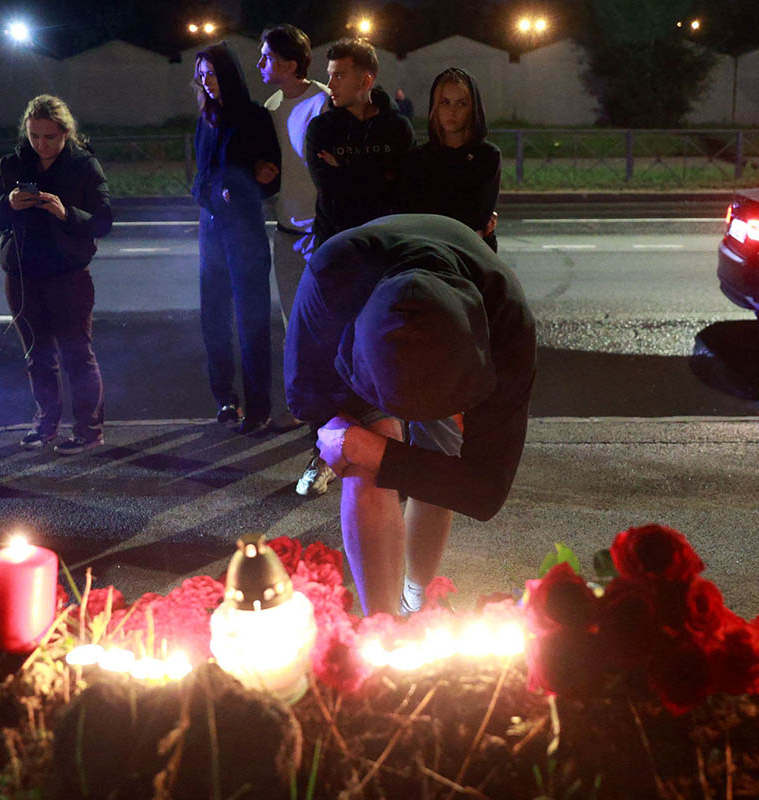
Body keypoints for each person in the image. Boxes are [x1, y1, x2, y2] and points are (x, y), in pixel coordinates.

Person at [284, 214, 537, 616]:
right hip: (366, 331)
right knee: (364, 467)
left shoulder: (506, 319)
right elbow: (303, 391)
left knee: (439, 464)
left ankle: (416, 598)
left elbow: (485, 490)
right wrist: (350, 438)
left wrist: (366, 446)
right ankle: (381, 626)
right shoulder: (331, 277)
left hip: (453, 337)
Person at [0, 94, 112, 455]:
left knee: (77, 353)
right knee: (37, 354)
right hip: (22, 274)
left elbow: (104, 221)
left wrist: (65, 213)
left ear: (66, 133)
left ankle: (88, 430)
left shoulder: (84, 167)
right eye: (35, 136)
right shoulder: (11, 165)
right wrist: (8, 203)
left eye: (50, 137)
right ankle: (46, 423)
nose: (41, 145)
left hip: (68, 274)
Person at [257, 24, 336, 495]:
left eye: (267, 57)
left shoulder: (323, 101)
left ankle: (335, 419)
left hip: (321, 235)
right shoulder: (269, 107)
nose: (262, 65)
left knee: (327, 327)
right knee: (293, 327)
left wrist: (324, 227)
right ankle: (305, 408)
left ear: (289, 63)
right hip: (286, 234)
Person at [192, 42, 281, 436]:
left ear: (227, 74)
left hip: (244, 231)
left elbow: (270, 177)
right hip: (211, 230)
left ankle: (258, 407)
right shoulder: (206, 120)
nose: (206, 82)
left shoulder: (254, 117)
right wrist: (214, 193)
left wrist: (242, 185)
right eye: (201, 75)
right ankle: (225, 399)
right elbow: (199, 181)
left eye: (211, 73)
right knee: (214, 319)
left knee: (252, 323)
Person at [304, 38, 415, 246]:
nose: (330, 85)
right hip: (335, 245)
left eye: (339, 76)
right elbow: (330, 191)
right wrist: (380, 174)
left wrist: (343, 166)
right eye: (330, 75)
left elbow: (403, 191)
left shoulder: (398, 128)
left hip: (387, 245)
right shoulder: (321, 129)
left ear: (366, 81)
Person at [398, 68, 501, 251]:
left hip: (472, 254)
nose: (452, 111)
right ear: (435, 106)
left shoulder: (487, 156)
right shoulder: (418, 157)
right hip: (427, 254)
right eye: (445, 102)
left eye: (461, 104)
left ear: (473, 108)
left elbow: (476, 216)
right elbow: (412, 216)